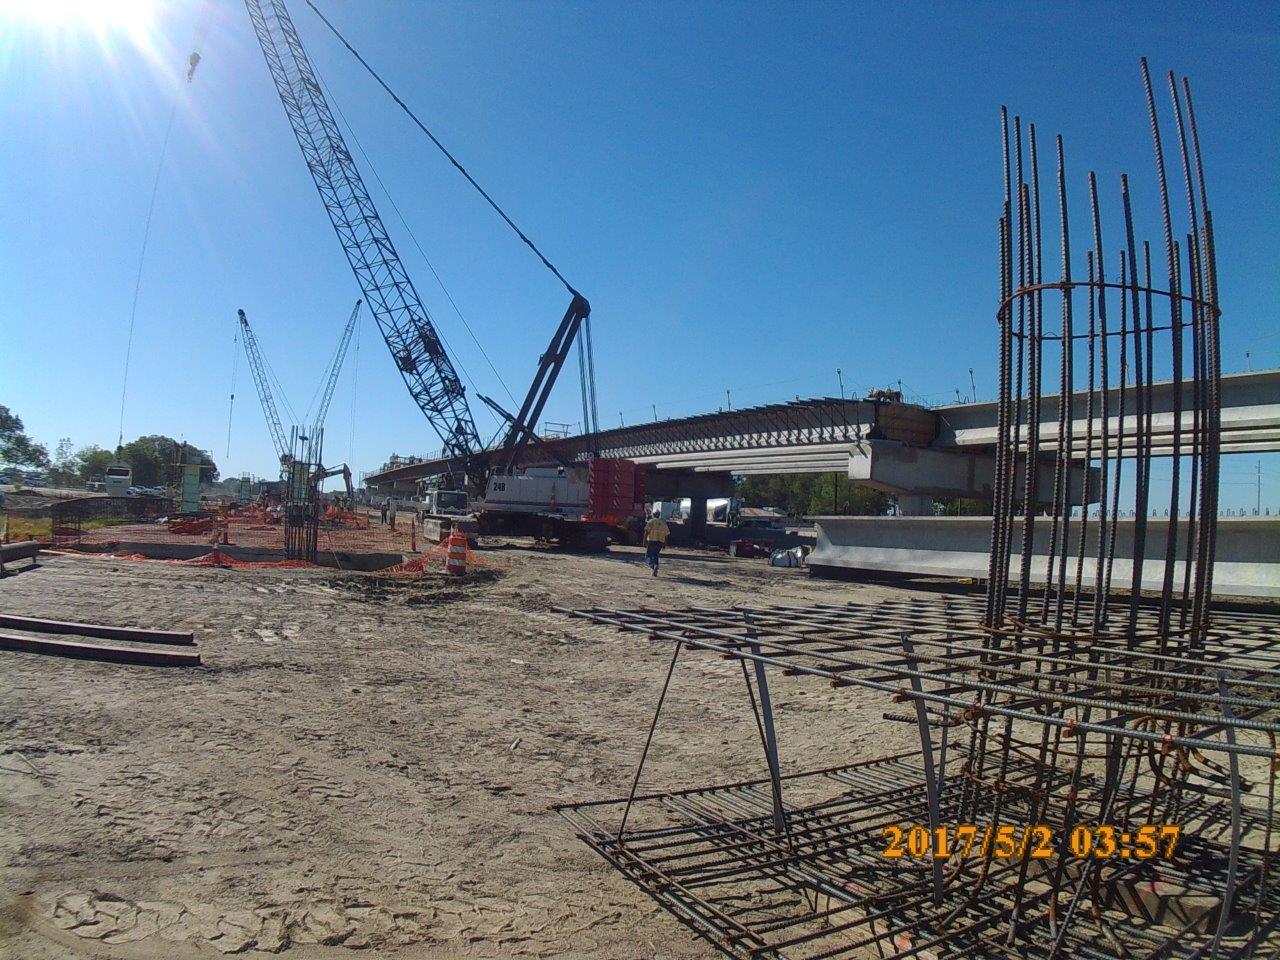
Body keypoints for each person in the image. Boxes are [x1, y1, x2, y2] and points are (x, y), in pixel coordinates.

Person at [643, 509, 670, 576]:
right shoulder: (663, 523)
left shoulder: (650, 522)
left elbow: (646, 532)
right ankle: (656, 565)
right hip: (660, 541)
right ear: (659, 515)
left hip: (652, 540)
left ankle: (653, 565)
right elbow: (666, 534)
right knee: (656, 554)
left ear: (653, 514)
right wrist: (665, 543)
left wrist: (644, 541)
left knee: (649, 554)